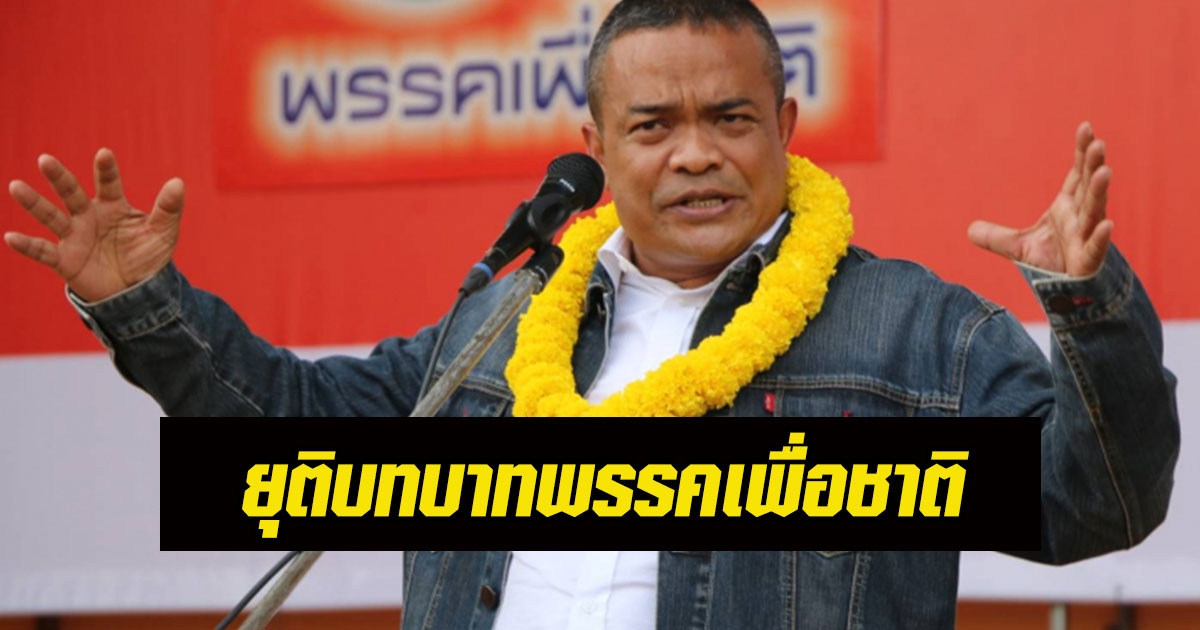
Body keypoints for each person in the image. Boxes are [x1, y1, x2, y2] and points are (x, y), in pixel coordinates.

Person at [3, 0, 1179, 628]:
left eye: (730, 118)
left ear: (784, 126)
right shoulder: (502, 324)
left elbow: (1096, 502)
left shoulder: (915, 329)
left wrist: (1088, 308)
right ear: (597, 149)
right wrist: (141, 304)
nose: (695, 155)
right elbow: (296, 436)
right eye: (653, 126)